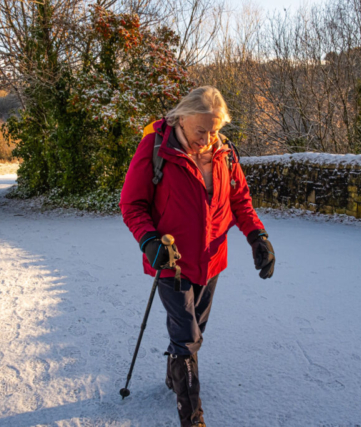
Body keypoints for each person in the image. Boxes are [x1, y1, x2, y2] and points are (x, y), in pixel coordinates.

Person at [119, 86, 275, 427]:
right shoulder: (155, 148)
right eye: (200, 130)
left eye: (214, 130)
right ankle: (191, 415)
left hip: (212, 259)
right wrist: (149, 241)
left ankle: (174, 374)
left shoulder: (226, 153)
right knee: (187, 336)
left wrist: (257, 236)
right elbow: (132, 204)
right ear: (180, 119)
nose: (207, 139)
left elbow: (240, 202)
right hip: (170, 260)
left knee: (194, 331)